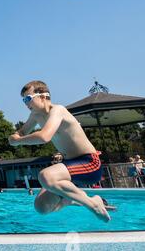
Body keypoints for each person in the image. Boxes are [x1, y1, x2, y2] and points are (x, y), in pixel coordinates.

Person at [9, 81, 111, 222]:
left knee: (45, 176)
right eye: (23, 100)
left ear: (43, 96)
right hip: (69, 166)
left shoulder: (58, 110)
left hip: (89, 163)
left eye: (28, 98)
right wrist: (15, 135)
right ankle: (73, 199)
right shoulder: (36, 116)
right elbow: (22, 131)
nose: (25, 103)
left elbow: (45, 136)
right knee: (41, 207)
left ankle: (93, 204)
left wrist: (18, 141)